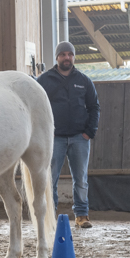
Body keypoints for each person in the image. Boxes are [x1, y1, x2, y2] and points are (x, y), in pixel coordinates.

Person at [37, 41, 100, 228]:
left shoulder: (84, 80)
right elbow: (36, 107)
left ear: (74, 57)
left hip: (79, 138)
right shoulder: (44, 80)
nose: (67, 57)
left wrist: (89, 132)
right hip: (53, 138)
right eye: (63, 54)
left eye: (70, 54)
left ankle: (82, 216)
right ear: (57, 57)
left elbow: (94, 107)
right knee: (50, 179)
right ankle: (50, 217)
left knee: (81, 179)